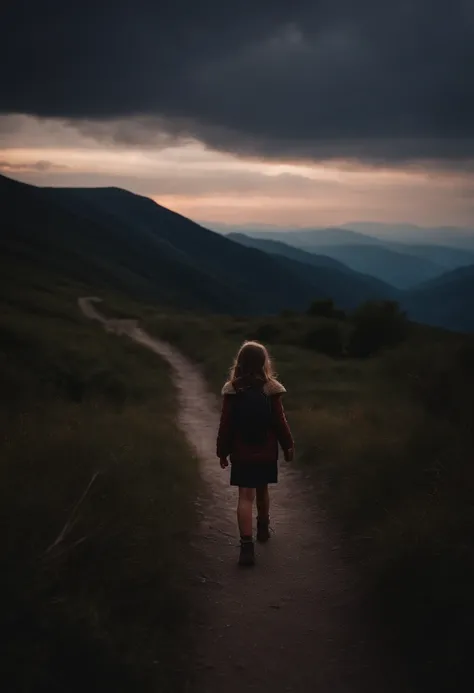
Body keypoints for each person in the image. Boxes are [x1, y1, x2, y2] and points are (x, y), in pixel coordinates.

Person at [216, 340, 294, 566]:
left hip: (241, 454)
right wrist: (288, 445)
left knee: (244, 497)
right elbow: (280, 422)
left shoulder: (232, 389)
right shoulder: (272, 389)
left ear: (239, 362)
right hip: (266, 452)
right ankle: (263, 527)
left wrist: (222, 452)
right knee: (263, 490)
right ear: (264, 363)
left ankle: (246, 547)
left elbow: (226, 425)